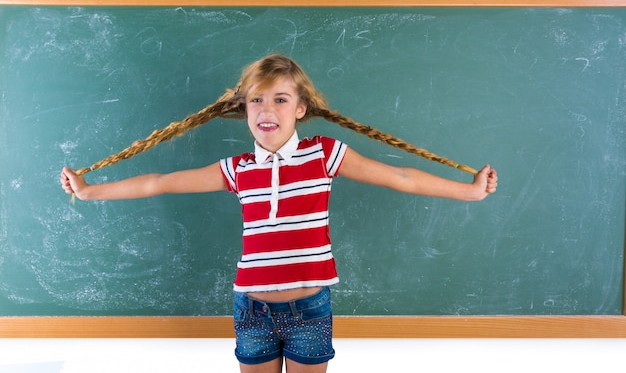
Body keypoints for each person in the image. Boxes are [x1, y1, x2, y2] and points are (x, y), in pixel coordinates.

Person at [60, 54, 498, 373]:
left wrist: (471, 192)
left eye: (281, 100)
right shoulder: (237, 169)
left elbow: (400, 178)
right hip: (251, 309)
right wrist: (89, 190)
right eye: (257, 100)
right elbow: (159, 182)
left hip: (310, 308)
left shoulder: (325, 155)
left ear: (301, 109)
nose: (267, 110)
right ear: (243, 108)